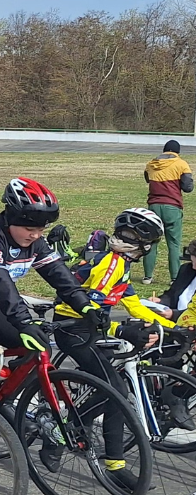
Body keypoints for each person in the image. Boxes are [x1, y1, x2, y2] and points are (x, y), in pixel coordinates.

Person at [53, 210, 192, 473]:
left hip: (90, 330)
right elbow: (91, 308)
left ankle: (110, 458)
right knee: (116, 390)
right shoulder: (112, 264)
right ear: (146, 246)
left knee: (114, 389)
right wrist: (120, 330)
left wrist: (174, 328)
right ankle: (64, 438)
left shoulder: (121, 264)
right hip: (75, 329)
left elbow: (134, 305)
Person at [0, 178, 102, 396]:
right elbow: (1, 283)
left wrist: (85, 306)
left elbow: (58, 274)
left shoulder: (35, 241)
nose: (35, 235)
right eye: (29, 228)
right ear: (10, 219)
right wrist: (24, 321)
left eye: (41, 229)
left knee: (38, 347)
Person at [142, 139, 193, 284]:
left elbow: (147, 179)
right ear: (177, 152)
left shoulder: (151, 164)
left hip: (153, 207)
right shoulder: (181, 164)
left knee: (151, 241)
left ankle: (147, 277)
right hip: (172, 207)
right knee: (174, 244)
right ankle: (174, 277)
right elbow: (188, 187)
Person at [151, 238, 196, 320]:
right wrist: (160, 301)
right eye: (192, 262)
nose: (193, 266)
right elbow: (172, 294)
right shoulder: (187, 269)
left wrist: (174, 314)